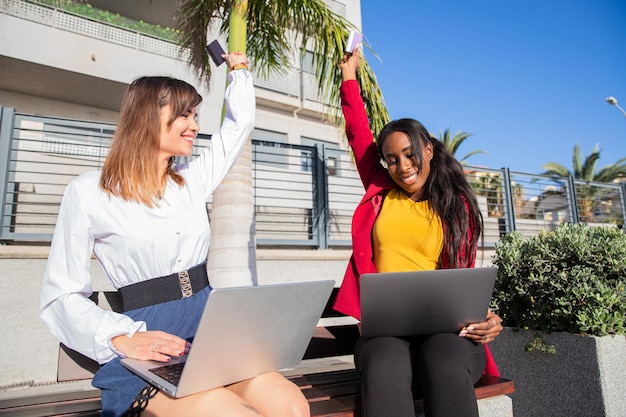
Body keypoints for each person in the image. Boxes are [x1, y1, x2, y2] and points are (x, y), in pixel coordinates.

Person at [40, 52, 310, 417]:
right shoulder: (89, 192)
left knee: (292, 407)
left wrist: (240, 71)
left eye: (195, 115)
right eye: (184, 114)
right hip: (153, 336)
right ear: (147, 117)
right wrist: (120, 337)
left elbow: (238, 126)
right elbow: (61, 295)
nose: (194, 125)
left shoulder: (190, 182)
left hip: (213, 326)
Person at [333, 50, 504, 417]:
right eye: (391, 159)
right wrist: (350, 78)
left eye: (410, 154)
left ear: (428, 149)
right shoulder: (380, 191)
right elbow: (358, 132)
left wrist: (486, 317)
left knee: (442, 361)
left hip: (446, 335)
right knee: (384, 365)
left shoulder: (455, 206)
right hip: (384, 335)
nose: (402, 166)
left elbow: (464, 281)